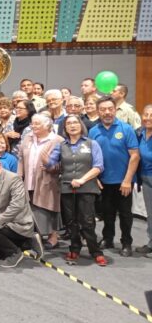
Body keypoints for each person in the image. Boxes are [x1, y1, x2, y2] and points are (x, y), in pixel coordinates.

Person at [47, 115, 107, 266]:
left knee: (87, 221)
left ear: (81, 125)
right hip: (67, 188)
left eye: (75, 122)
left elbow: (98, 166)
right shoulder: (61, 145)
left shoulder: (92, 143)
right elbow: (49, 163)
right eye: (69, 123)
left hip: (87, 187)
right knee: (71, 222)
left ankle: (95, 251)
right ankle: (75, 248)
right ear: (65, 128)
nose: (72, 125)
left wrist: (82, 180)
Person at [89, 96, 140, 257]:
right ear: (98, 111)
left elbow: (135, 156)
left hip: (123, 181)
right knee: (107, 212)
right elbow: (91, 156)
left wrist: (127, 180)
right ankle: (108, 238)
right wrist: (95, 178)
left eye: (110, 109)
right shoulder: (93, 131)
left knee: (125, 214)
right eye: (103, 109)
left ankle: (126, 242)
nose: (107, 112)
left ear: (114, 109)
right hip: (103, 181)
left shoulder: (126, 129)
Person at [0, 155, 42, 268]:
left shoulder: (13, 179)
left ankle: (15, 253)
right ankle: (28, 242)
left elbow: (16, 206)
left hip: (18, 223)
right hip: (2, 222)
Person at [18, 114, 63, 250]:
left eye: (37, 123)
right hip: (29, 179)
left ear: (47, 126)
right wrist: (19, 176)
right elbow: (21, 158)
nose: (33, 126)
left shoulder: (57, 140)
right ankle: (36, 237)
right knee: (31, 208)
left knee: (49, 208)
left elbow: (63, 163)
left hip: (49, 180)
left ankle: (53, 237)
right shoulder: (28, 138)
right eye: (32, 123)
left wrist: (52, 167)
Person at [136, 105, 152, 258]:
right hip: (146, 177)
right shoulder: (140, 133)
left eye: (151, 115)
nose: (148, 117)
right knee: (151, 214)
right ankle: (151, 243)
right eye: (145, 114)